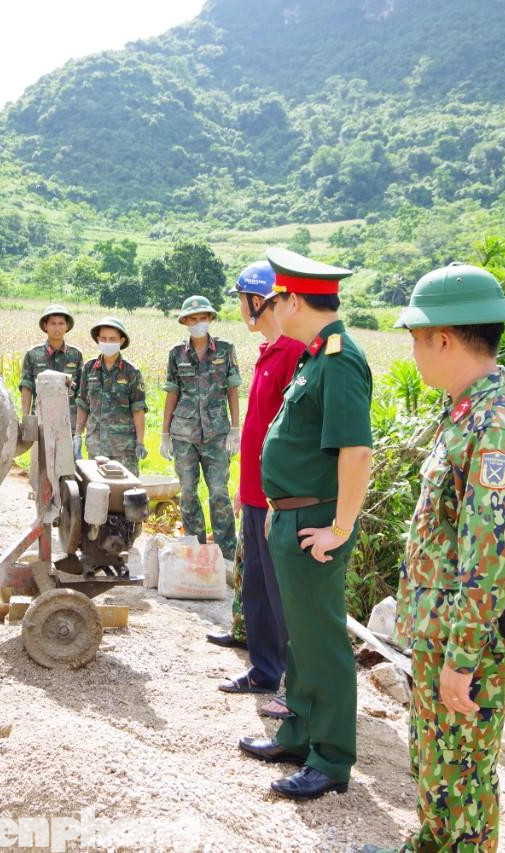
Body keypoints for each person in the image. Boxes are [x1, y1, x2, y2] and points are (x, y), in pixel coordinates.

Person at [371, 262, 505, 852]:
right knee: (436, 767)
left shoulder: (497, 423)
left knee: (462, 778)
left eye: (417, 340)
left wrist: (462, 658)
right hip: (442, 629)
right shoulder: (468, 408)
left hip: (463, 639)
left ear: (442, 338)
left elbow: (490, 552)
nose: (415, 353)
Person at [238, 248, 371, 801]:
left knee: (322, 642)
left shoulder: (339, 359)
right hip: (288, 517)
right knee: (299, 640)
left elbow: (356, 453)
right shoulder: (315, 357)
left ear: (294, 300)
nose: (271, 308)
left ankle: (332, 758)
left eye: (276, 299)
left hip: (316, 520)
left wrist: (339, 529)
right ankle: (298, 733)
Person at [212, 263, 305, 718]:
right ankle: (263, 671)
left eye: (240, 299)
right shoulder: (268, 350)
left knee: (280, 591)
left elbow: (293, 434)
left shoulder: (293, 353)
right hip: (253, 491)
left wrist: (272, 495)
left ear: (258, 300)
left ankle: (292, 682)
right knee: (255, 589)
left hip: (275, 497)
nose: (239, 308)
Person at [161, 294, 241, 572]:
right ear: (185, 322)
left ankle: (226, 554)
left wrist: (235, 428)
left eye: (202, 318)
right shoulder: (176, 354)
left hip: (217, 432)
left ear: (210, 319)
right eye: (192, 319)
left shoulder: (225, 349)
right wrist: (164, 434)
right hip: (183, 433)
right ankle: (193, 548)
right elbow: (172, 393)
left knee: (218, 491)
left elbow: (233, 389)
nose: (198, 323)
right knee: (187, 492)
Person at [76, 317, 147, 474]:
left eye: (112, 339)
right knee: (97, 491)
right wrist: (77, 436)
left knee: (126, 492)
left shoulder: (131, 372)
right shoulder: (88, 369)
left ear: (121, 341)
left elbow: (138, 409)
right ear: (98, 340)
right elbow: (83, 405)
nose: (108, 342)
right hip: (96, 445)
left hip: (123, 448)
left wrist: (140, 442)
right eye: (104, 339)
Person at [20, 305, 83, 431]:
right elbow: (27, 387)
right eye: (53, 323)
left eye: (61, 323)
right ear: (45, 326)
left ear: (67, 326)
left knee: (68, 451)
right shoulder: (33, 354)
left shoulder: (75, 355)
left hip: (68, 420)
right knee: (41, 451)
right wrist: (26, 418)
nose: (57, 328)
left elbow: (82, 391)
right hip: (41, 419)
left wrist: (81, 423)